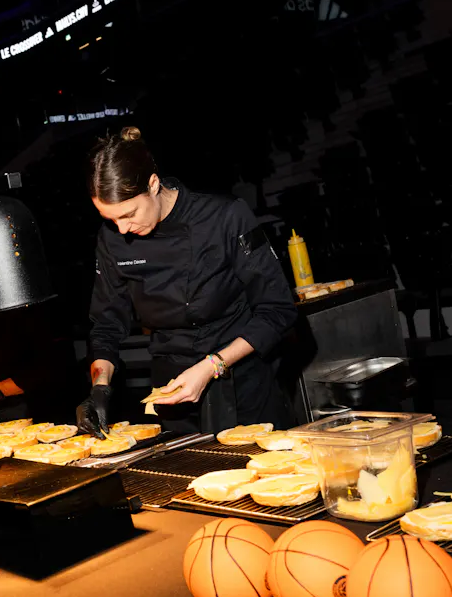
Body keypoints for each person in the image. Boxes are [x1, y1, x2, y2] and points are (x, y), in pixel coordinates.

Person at [76, 127, 297, 438]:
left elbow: (277, 311)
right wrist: (100, 386)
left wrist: (211, 366)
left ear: (153, 184)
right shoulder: (111, 239)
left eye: (128, 214)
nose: (122, 229)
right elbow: (107, 322)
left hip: (242, 383)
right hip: (172, 391)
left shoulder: (225, 216)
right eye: (110, 219)